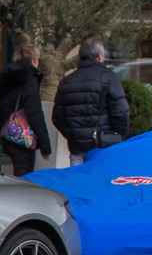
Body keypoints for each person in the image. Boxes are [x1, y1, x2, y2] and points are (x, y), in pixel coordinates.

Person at [52, 38, 129, 166]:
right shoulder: (109, 77)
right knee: (101, 183)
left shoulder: (66, 81)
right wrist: (118, 136)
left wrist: (73, 134)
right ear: (100, 55)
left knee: (79, 183)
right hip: (104, 145)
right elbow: (121, 112)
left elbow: (57, 117)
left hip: (77, 147)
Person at [0, 43, 53, 176]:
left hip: (9, 134)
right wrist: (45, 147)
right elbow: (36, 114)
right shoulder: (29, 80)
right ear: (33, 60)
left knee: (19, 174)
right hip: (22, 138)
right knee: (25, 178)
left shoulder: (8, 78)